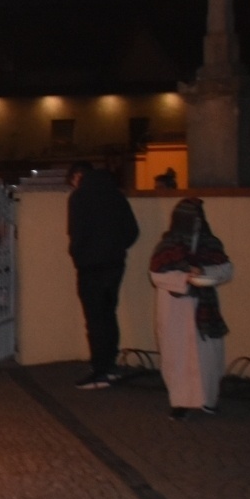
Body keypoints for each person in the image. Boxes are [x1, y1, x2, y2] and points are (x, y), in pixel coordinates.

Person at [148, 198, 233, 419]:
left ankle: (209, 399)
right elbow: (157, 275)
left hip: (204, 308)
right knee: (177, 355)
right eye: (191, 219)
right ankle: (180, 402)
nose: (196, 223)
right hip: (175, 308)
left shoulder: (210, 243)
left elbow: (225, 269)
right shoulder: (168, 246)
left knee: (209, 355)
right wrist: (185, 278)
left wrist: (204, 273)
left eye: (198, 218)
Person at [66, 161, 139, 388]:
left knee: (95, 319)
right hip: (114, 264)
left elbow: (76, 233)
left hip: (90, 267)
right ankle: (110, 365)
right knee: (108, 315)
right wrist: (116, 249)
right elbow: (132, 231)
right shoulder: (116, 195)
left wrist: (79, 255)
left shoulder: (79, 198)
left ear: (77, 176)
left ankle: (99, 370)